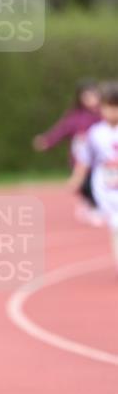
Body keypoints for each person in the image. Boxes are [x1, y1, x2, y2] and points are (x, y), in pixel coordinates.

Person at [32, 78, 102, 225]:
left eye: (93, 95)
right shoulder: (75, 117)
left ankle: (95, 205)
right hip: (80, 159)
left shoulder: (104, 115)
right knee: (84, 184)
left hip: (100, 159)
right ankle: (90, 206)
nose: (91, 99)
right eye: (87, 96)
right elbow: (61, 131)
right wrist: (47, 141)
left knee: (99, 183)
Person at [72, 81, 118, 273]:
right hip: (107, 189)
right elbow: (85, 159)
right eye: (108, 107)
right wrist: (76, 179)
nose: (112, 112)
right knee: (115, 225)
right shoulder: (96, 133)